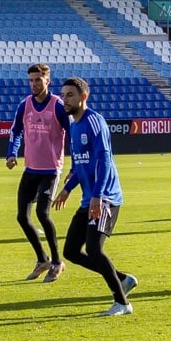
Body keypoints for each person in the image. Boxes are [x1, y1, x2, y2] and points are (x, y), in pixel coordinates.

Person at [53, 76, 137, 316]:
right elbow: (83, 164)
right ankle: (122, 278)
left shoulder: (94, 121)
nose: (65, 99)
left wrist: (98, 196)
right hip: (89, 198)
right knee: (70, 251)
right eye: (63, 95)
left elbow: (104, 161)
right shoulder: (74, 125)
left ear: (83, 97)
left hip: (105, 197)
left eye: (70, 95)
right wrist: (68, 189)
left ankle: (122, 303)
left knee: (94, 249)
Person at [6, 64, 68, 278]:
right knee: (22, 217)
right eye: (31, 80)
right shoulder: (25, 105)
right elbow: (16, 131)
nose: (34, 84)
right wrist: (11, 153)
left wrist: (76, 165)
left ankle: (58, 262)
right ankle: (43, 259)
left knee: (43, 213)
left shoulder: (58, 106)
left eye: (38, 80)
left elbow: (73, 133)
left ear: (47, 81)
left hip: (51, 170)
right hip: (30, 169)